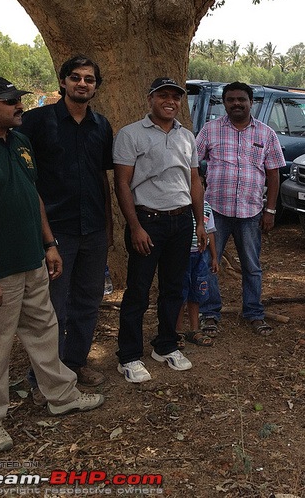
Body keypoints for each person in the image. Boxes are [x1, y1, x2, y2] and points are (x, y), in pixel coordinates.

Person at [0, 76, 104, 452]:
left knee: (45, 330)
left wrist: (49, 244)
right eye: (12, 101)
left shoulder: (19, 141)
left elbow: (33, 195)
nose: (19, 106)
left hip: (32, 260)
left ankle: (61, 396)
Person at [17, 55, 114, 395]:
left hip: (93, 230)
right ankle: (43, 376)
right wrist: (45, 240)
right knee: (51, 308)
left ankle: (75, 363)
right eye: (76, 77)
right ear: (62, 82)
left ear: (96, 86)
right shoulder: (34, 122)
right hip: (53, 232)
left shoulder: (102, 126)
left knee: (88, 301)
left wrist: (109, 226)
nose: (82, 83)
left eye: (89, 79)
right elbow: (25, 180)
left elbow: (101, 177)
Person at [113, 77, 207, 382]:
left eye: (175, 97)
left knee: (173, 287)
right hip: (147, 221)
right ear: (150, 98)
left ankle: (165, 345)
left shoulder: (186, 136)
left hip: (180, 222)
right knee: (138, 290)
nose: (171, 101)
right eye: (163, 95)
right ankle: (128, 356)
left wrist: (200, 222)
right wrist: (135, 226)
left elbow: (194, 181)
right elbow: (122, 184)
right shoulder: (131, 134)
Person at [195, 81, 285, 337]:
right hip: (216, 212)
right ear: (224, 103)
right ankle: (210, 313)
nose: (236, 104)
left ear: (251, 102)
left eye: (241, 99)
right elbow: (192, 165)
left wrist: (270, 211)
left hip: (251, 213)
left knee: (252, 266)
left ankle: (254, 312)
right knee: (209, 263)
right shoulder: (210, 130)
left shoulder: (266, 134)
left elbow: (274, 174)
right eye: (231, 99)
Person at [178, 195, 218, 348]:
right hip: (182, 256)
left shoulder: (207, 207)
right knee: (181, 292)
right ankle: (178, 330)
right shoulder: (181, 206)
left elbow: (211, 232)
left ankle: (194, 330)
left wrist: (214, 257)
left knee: (196, 292)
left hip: (200, 256)